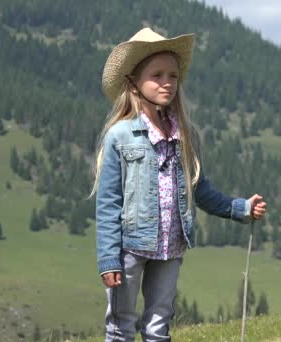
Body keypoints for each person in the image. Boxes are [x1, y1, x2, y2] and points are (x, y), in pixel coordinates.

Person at [92, 28, 267, 341]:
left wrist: (240, 208)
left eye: (172, 75)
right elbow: (108, 204)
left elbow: (199, 189)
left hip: (171, 244)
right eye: (157, 75)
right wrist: (108, 259)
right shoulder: (120, 136)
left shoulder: (185, 135)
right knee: (121, 325)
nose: (167, 83)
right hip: (130, 247)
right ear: (133, 82)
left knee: (159, 324)